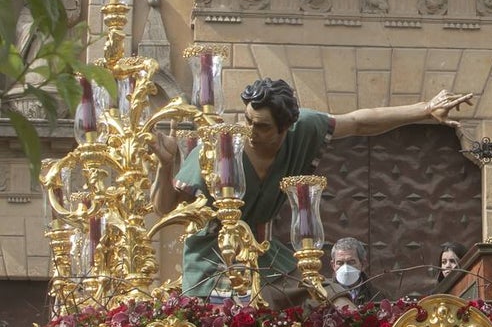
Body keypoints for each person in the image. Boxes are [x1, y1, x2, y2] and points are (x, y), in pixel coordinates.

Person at [152, 78, 472, 307]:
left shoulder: (303, 130)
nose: (250, 131)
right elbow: (165, 207)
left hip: (265, 258)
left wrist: (425, 109)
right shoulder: (219, 148)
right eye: (247, 119)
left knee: (336, 303)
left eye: (261, 126)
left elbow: (358, 122)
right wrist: (165, 167)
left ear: (286, 128)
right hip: (213, 263)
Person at [323, 237, 380, 305]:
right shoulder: (324, 294)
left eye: (351, 262)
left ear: (363, 264)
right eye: (340, 263)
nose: (345, 268)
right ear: (333, 265)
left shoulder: (377, 295)